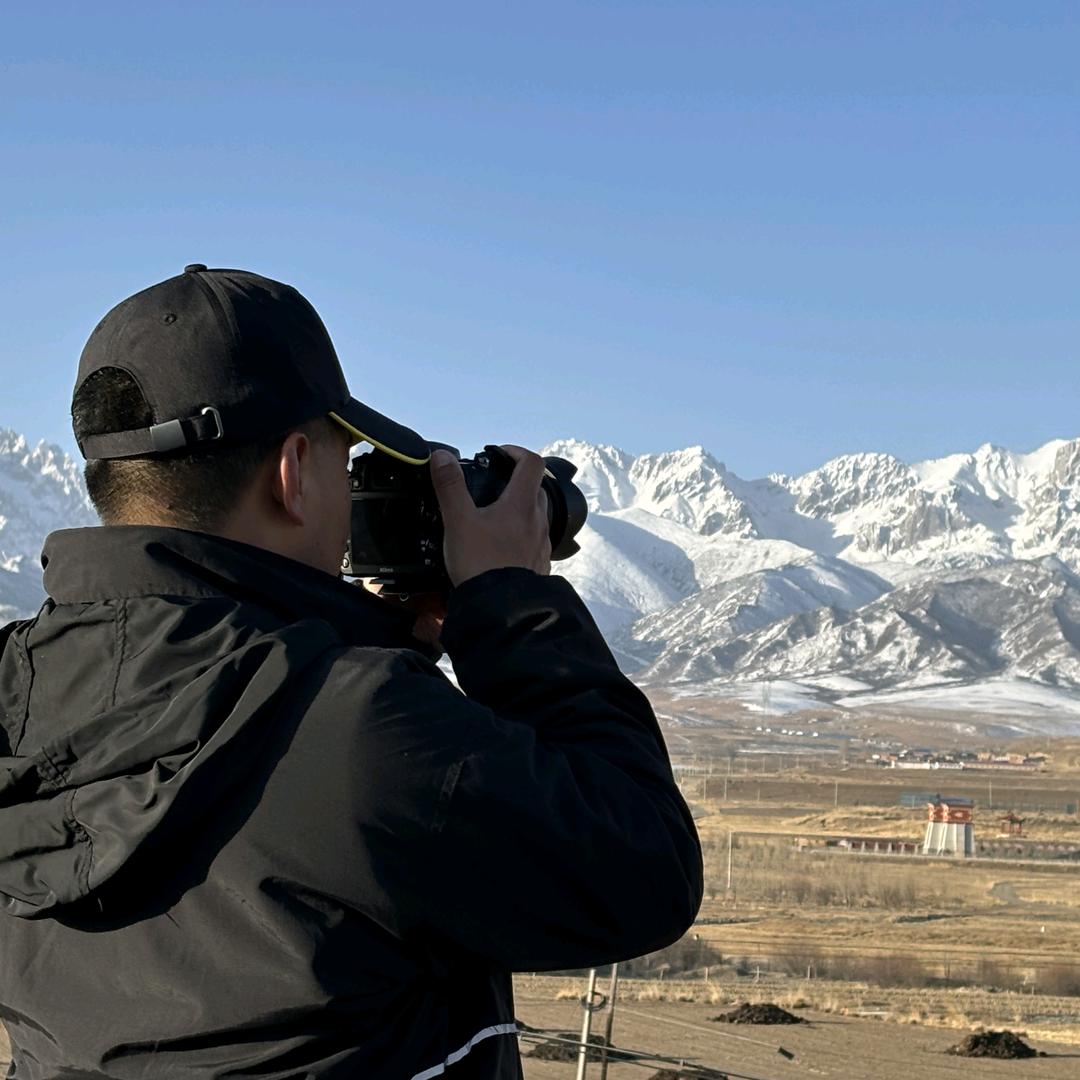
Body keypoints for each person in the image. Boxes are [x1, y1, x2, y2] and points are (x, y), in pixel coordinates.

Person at [0, 265, 703, 1079]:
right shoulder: (361, 728)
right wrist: (513, 608)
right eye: (350, 462)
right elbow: (644, 868)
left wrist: (375, 650)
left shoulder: (20, 688)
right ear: (295, 472)